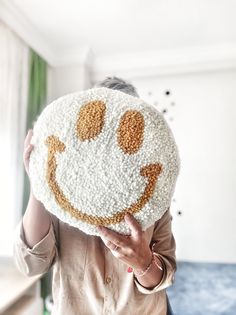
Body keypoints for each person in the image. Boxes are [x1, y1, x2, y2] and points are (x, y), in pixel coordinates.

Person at [13, 77, 176, 315]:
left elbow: (165, 275)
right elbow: (31, 265)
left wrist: (144, 263)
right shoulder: (61, 192)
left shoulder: (152, 198)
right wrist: (40, 180)